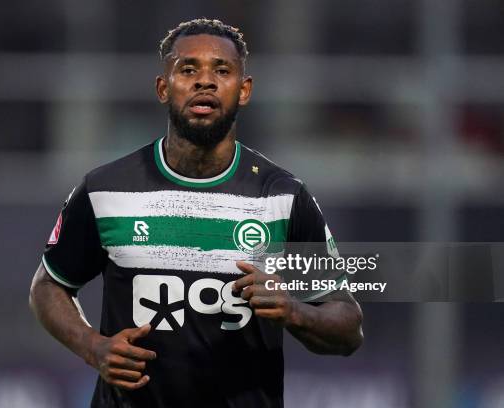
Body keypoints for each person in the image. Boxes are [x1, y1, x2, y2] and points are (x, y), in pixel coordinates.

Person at [29, 18, 363, 408]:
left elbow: (348, 327)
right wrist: (92, 346)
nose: (205, 81)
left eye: (222, 70)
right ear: (162, 87)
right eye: (188, 69)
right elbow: (48, 286)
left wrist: (293, 310)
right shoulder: (106, 189)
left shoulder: (283, 198)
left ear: (244, 90)